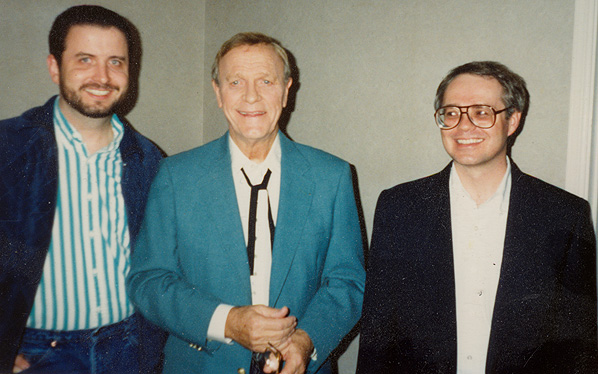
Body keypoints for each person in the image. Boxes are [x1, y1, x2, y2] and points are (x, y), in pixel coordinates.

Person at [127, 32, 365, 374]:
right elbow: (148, 280)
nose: (251, 96)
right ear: (218, 92)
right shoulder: (176, 176)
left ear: (286, 90)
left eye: (266, 81)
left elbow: (348, 282)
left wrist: (305, 342)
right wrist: (227, 321)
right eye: (235, 81)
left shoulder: (332, 176)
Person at [357, 61, 598, 373]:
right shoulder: (400, 207)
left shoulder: (564, 215)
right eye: (452, 112)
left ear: (512, 121)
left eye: (482, 112)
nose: (463, 126)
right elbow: (378, 336)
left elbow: (579, 346)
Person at [0, 5, 165, 373]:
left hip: (129, 348)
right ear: (54, 67)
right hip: (38, 354)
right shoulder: (7, 148)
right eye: (85, 60)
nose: (102, 76)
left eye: (116, 62)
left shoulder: (149, 160)